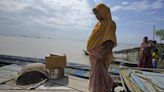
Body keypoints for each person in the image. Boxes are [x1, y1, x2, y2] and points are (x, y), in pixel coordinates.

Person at [87, 3, 117, 92]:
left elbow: (111, 41)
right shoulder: (98, 24)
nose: (96, 16)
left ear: (103, 12)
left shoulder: (109, 24)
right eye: (95, 14)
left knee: (98, 74)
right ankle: (110, 84)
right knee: (97, 73)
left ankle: (100, 89)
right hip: (94, 54)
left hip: (101, 54)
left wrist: (102, 54)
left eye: (98, 13)